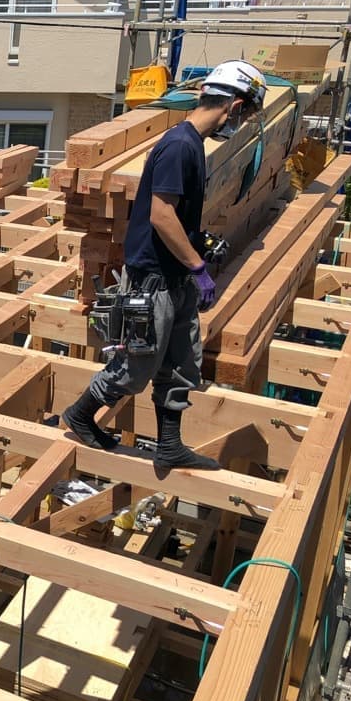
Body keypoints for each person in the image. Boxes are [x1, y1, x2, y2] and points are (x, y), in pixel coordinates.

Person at [61, 60, 266, 471]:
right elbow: (160, 215)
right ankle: (81, 415)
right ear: (235, 106)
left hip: (174, 276)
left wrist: (198, 246)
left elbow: (176, 216)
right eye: (245, 115)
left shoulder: (193, 145)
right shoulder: (179, 146)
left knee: (181, 361)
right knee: (137, 366)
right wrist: (199, 267)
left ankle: (170, 446)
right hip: (152, 279)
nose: (242, 123)